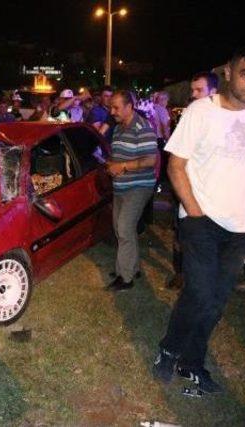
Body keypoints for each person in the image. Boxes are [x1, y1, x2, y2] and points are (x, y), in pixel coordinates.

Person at [152, 46, 245, 394]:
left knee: (216, 300)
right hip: (202, 220)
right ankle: (169, 349)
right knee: (200, 293)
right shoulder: (201, 112)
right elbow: (176, 166)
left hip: (244, 226)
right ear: (228, 73)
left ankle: (192, 362)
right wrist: (195, 215)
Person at [166, 71, 219, 290]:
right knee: (181, 233)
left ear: (213, 92)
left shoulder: (223, 120)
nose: (194, 95)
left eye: (199, 90)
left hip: (211, 192)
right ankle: (180, 272)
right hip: (184, 186)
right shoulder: (190, 115)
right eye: (192, 90)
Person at [104, 90, 158, 292]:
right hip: (120, 186)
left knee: (125, 227)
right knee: (120, 228)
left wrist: (123, 166)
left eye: (116, 107)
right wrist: (111, 164)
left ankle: (125, 278)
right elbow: (118, 154)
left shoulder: (143, 127)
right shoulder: (118, 128)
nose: (112, 111)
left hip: (139, 186)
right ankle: (131, 267)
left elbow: (150, 160)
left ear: (130, 107)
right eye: (111, 107)